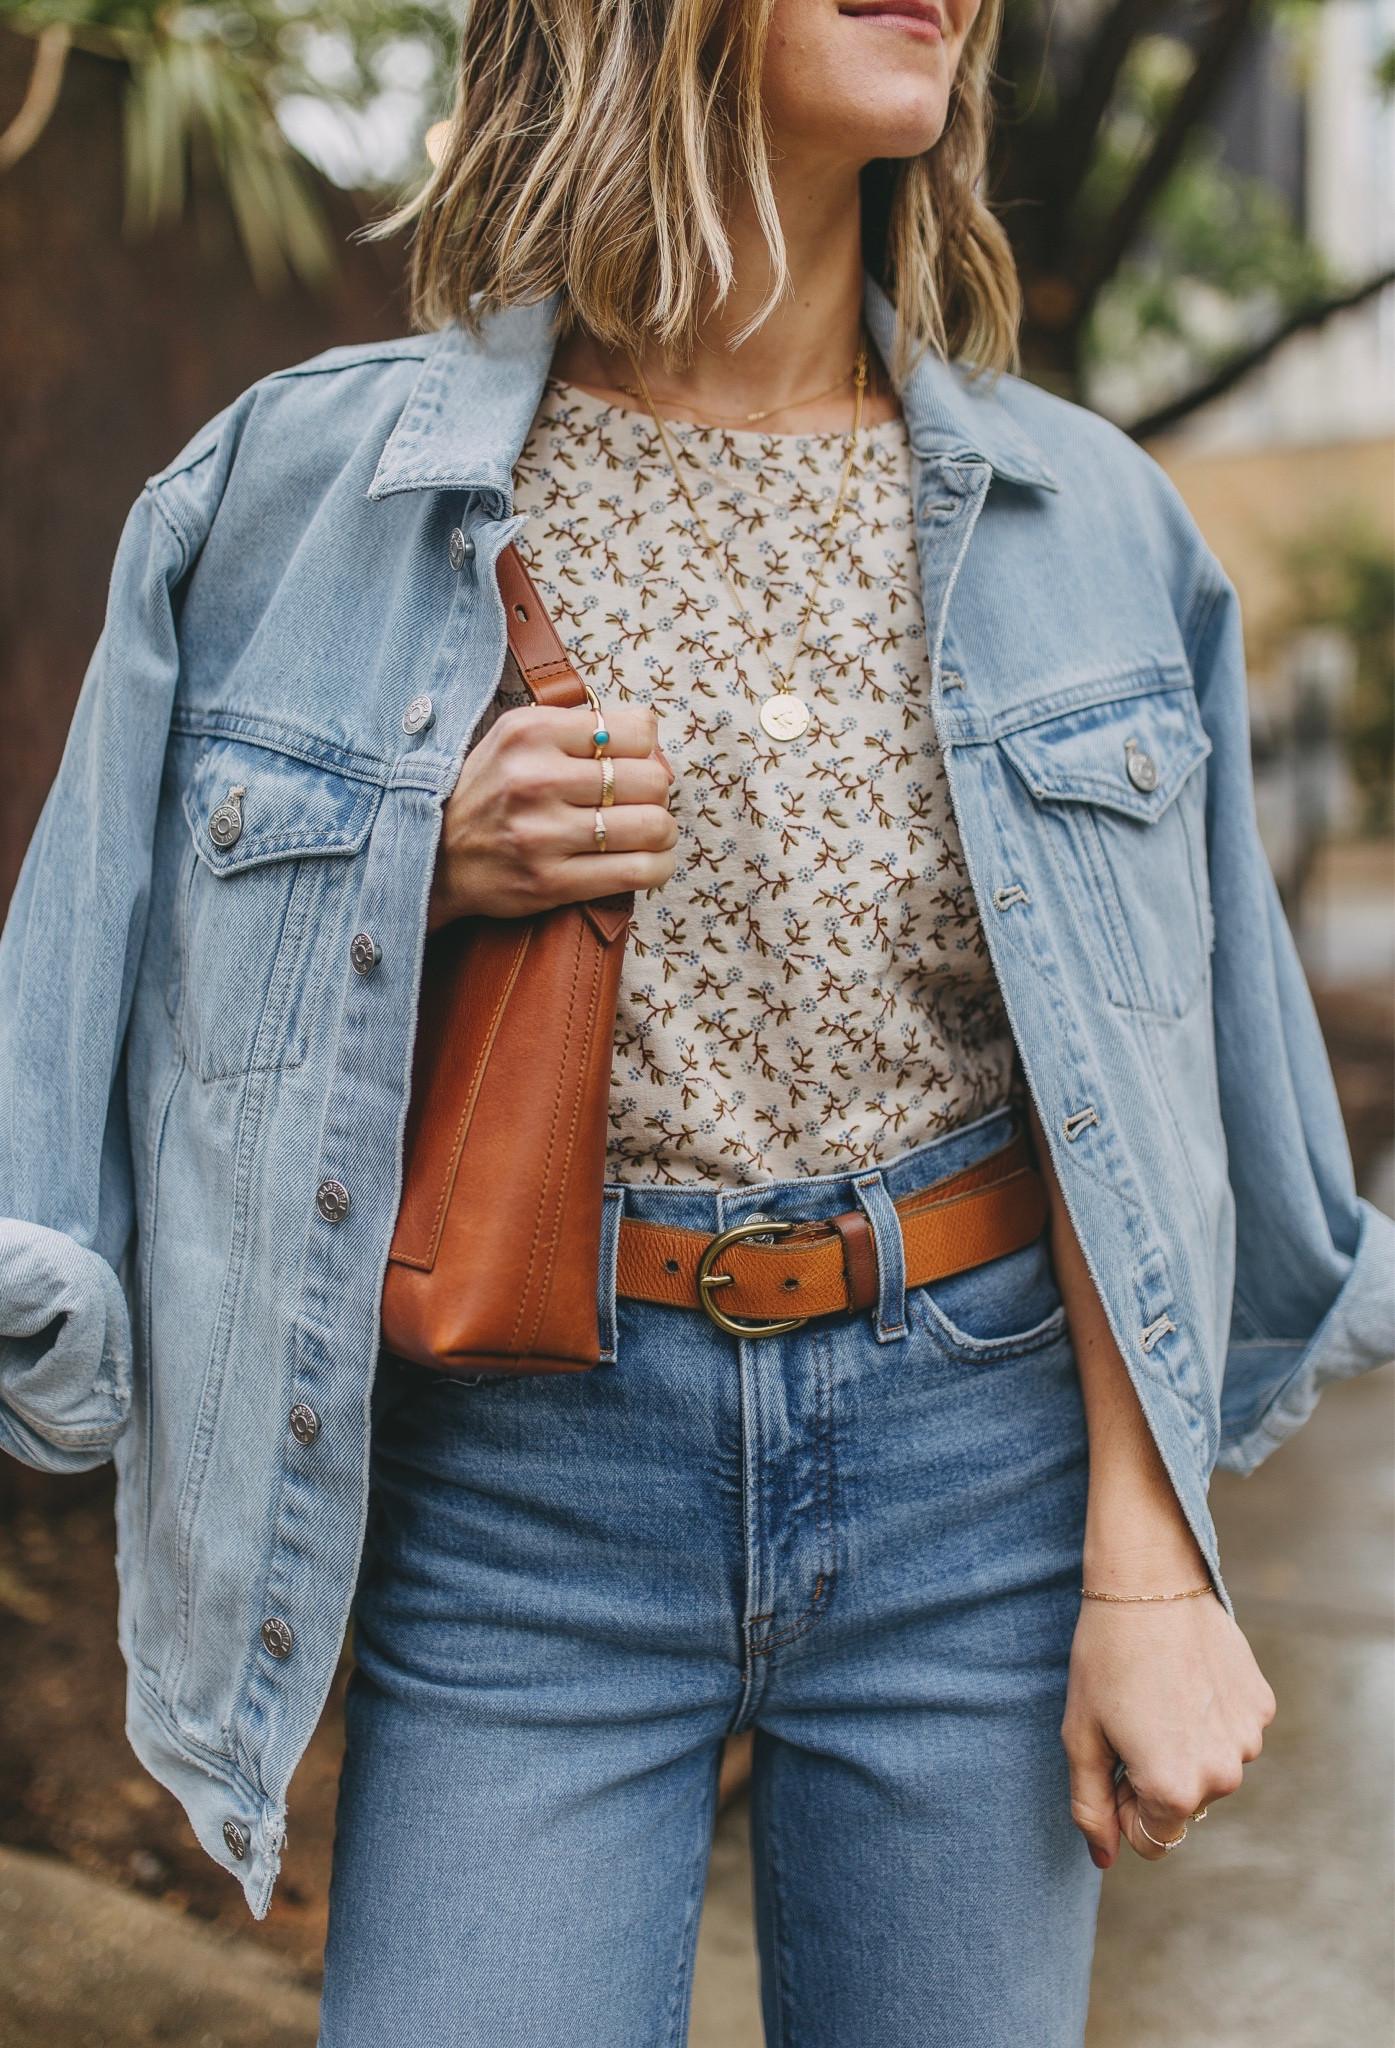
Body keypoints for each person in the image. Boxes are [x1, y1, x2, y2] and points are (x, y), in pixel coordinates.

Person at [0, 0, 1389, 2041]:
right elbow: (107, 979)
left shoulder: (1088, 524)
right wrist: (422, 850)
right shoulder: (313, 490)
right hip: (524, 1495)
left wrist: (1150, 1561)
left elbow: (1142, 1106)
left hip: (970, 1482)